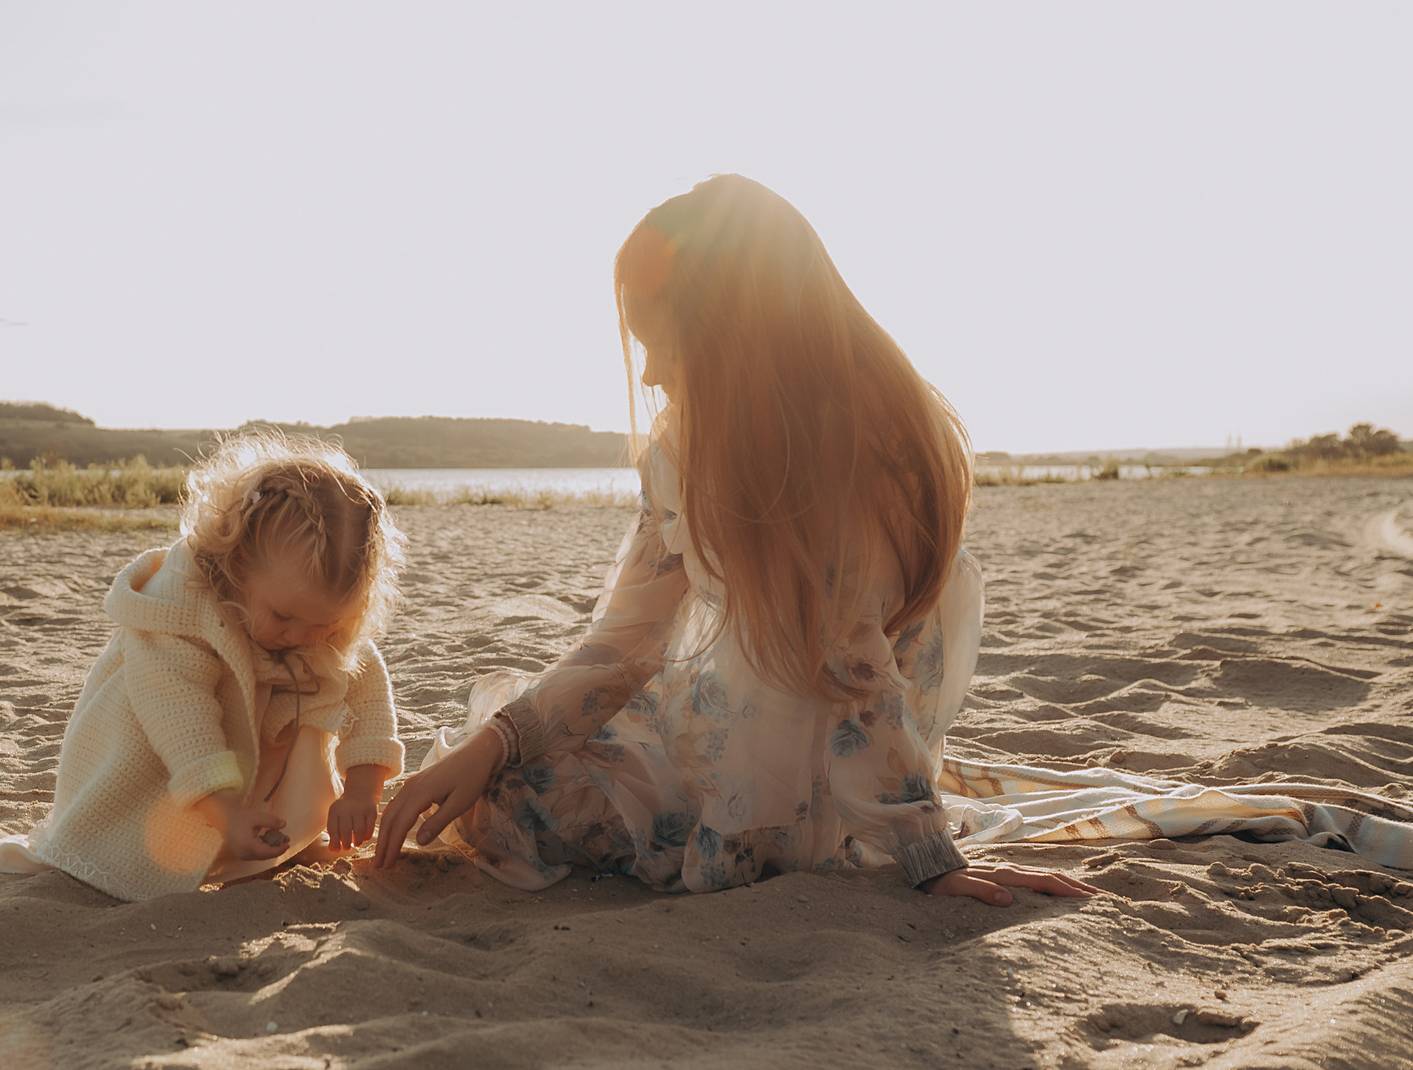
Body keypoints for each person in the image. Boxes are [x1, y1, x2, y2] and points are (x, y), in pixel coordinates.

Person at [373, 175, 1097, 908]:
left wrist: (926, 854)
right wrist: (493, 741)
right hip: (731, 705)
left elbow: (853, 666)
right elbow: (628, 638)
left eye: (667, 348)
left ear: (736, 338)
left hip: (821, 725)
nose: (651, 374)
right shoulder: (685, 447)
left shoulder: (859, 447)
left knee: (657, 820)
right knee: (502, 789)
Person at [0, 431, 406, 900]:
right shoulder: (180, 612)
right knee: (145, 814)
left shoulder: (312, 626)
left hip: (241, 754)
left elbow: (365, 685)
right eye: (284, 616)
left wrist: (362, 790)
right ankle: (216, 831)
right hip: (157, 746)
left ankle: (269, 836)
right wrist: (224, 814)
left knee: (323, 678)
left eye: (324, 624)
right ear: (237, 564)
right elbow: (181, 718)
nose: (301, 637)